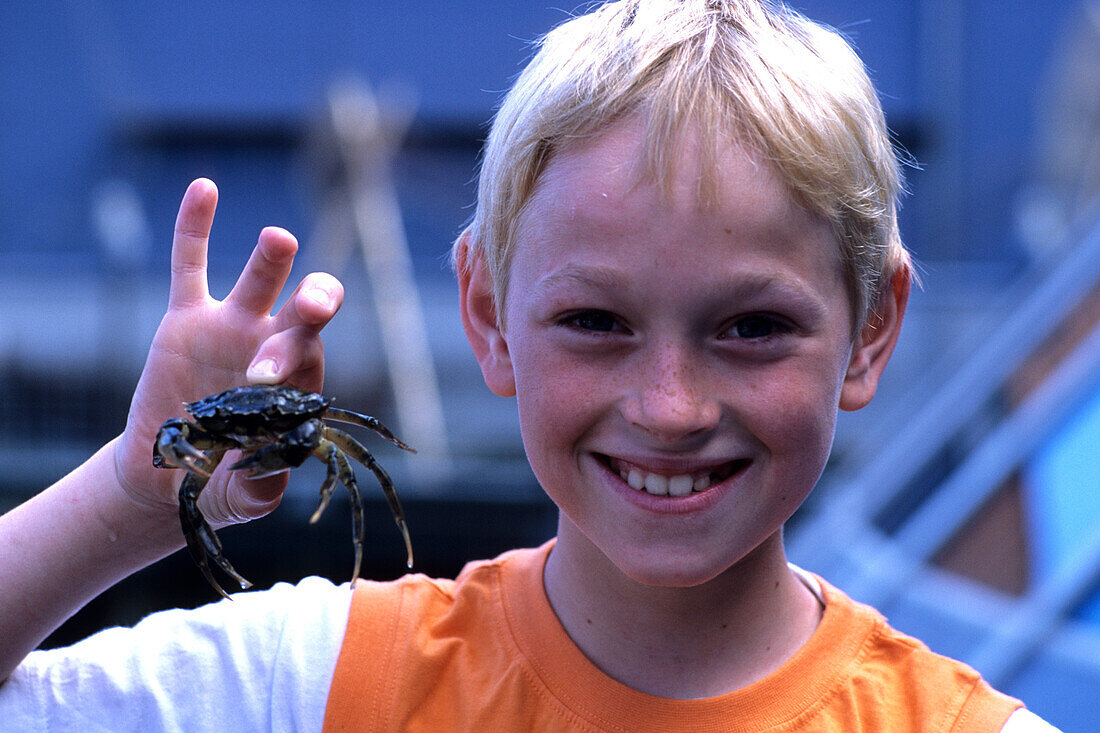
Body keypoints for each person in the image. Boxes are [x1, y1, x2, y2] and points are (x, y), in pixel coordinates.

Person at [0, 1, 1061, 730]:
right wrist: (132, 496)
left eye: (748, 329)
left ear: (871, 328)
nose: (669, 406)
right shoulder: (320, 683)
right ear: (486, 314)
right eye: (596, 321)